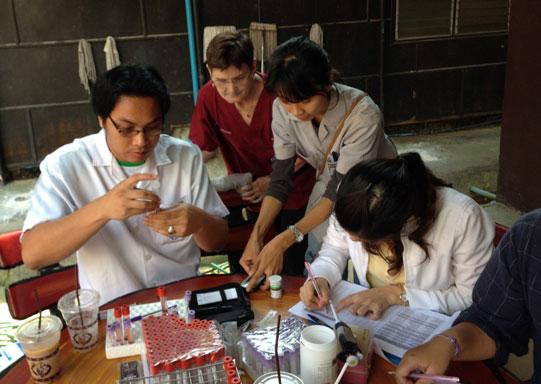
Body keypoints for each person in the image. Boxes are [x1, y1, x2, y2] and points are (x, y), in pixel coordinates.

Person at [21, 64, 229, 304]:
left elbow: (217, 242)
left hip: (180, 303)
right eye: (126, 129)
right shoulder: (66, 165)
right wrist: (103, 209)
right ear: (102, 119)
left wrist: (199, 220)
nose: (141, 141)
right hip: (114, 312)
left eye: (152, 128)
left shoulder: (185, 157)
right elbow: (33, 254)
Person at [241, 36, 396, 291]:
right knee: (319, 259)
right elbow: (280, 180)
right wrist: (256, 237)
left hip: (375, 191)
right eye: (287, 101)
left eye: (304, 100)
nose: (296, 111)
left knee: (368, 261)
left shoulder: (362, 114)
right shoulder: (281, 108)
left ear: (326, 83)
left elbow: (340, 189)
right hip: (330, 184)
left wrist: (282, 241)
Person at [299, 153, 494, 318]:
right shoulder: (352, 197)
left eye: (366, 238)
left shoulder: (463, 218)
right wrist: (321, 278)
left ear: (399, 227)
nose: (353, 241)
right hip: (374, 319)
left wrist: (396, 295)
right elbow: (335, 248)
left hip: (436, 327)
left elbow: (471, 297)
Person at [189, 31, 315, 275]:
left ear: (254, 67)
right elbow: (203, 149)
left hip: (295, 192)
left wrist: (271, 181)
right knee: (247, 268)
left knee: (290, 268)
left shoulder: (279, 94)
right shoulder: (207, 97)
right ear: (209, 71)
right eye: (221, 81)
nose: (231, 89)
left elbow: (309, 148)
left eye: (239, 78)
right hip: (248, 196)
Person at [395, 209, 541, 384]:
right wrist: (447, 343)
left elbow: (464, 297)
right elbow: (492, 321)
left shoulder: (464, 216)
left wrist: (398, 294)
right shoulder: (531, 235)